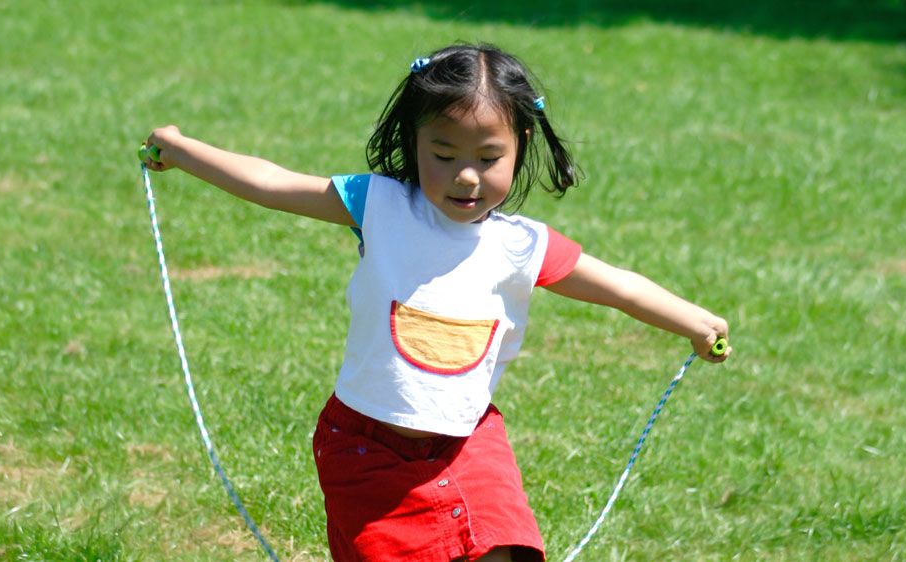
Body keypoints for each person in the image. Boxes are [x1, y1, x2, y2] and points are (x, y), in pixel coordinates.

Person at [142, 43, 730, 562]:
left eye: (487, 157)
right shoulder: (380, 205)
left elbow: (618, 285)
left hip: (470, 442)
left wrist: (694, 322)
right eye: (443, 155)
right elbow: (272, 183)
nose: (466, 176)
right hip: (365, 446)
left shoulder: (523, 246)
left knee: (501, 547)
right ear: (413, 141)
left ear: (521, 146)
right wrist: (182, 149)